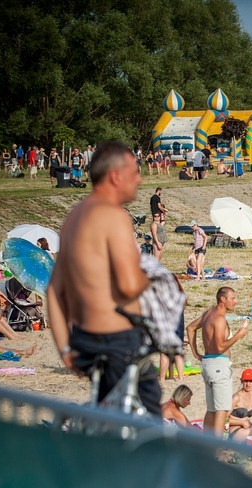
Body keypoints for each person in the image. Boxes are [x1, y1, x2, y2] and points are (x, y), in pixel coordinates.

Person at [46, 142, 161, 414]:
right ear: (115, 176)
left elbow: (53, 291)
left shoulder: (74, 217)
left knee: (107, 418)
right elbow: (129, 285)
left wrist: (65, 349)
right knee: (148, 425)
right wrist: (152, 275)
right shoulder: (113, 216)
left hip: (84, 340)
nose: (139, 179)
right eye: (134, 172)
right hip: (118, 342)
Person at [186, 286, 249, 435]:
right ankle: (218, 444)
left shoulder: (208, 313)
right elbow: (220, 347)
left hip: (208, 364)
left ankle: (207, 442)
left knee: (212, 409)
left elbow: (190, 328)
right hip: (218, 365)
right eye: (232, 298)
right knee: (222, 410)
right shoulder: (219, 319)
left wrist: (196, 353)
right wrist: (238, 335)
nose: (235, 301)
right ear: (222, 299)